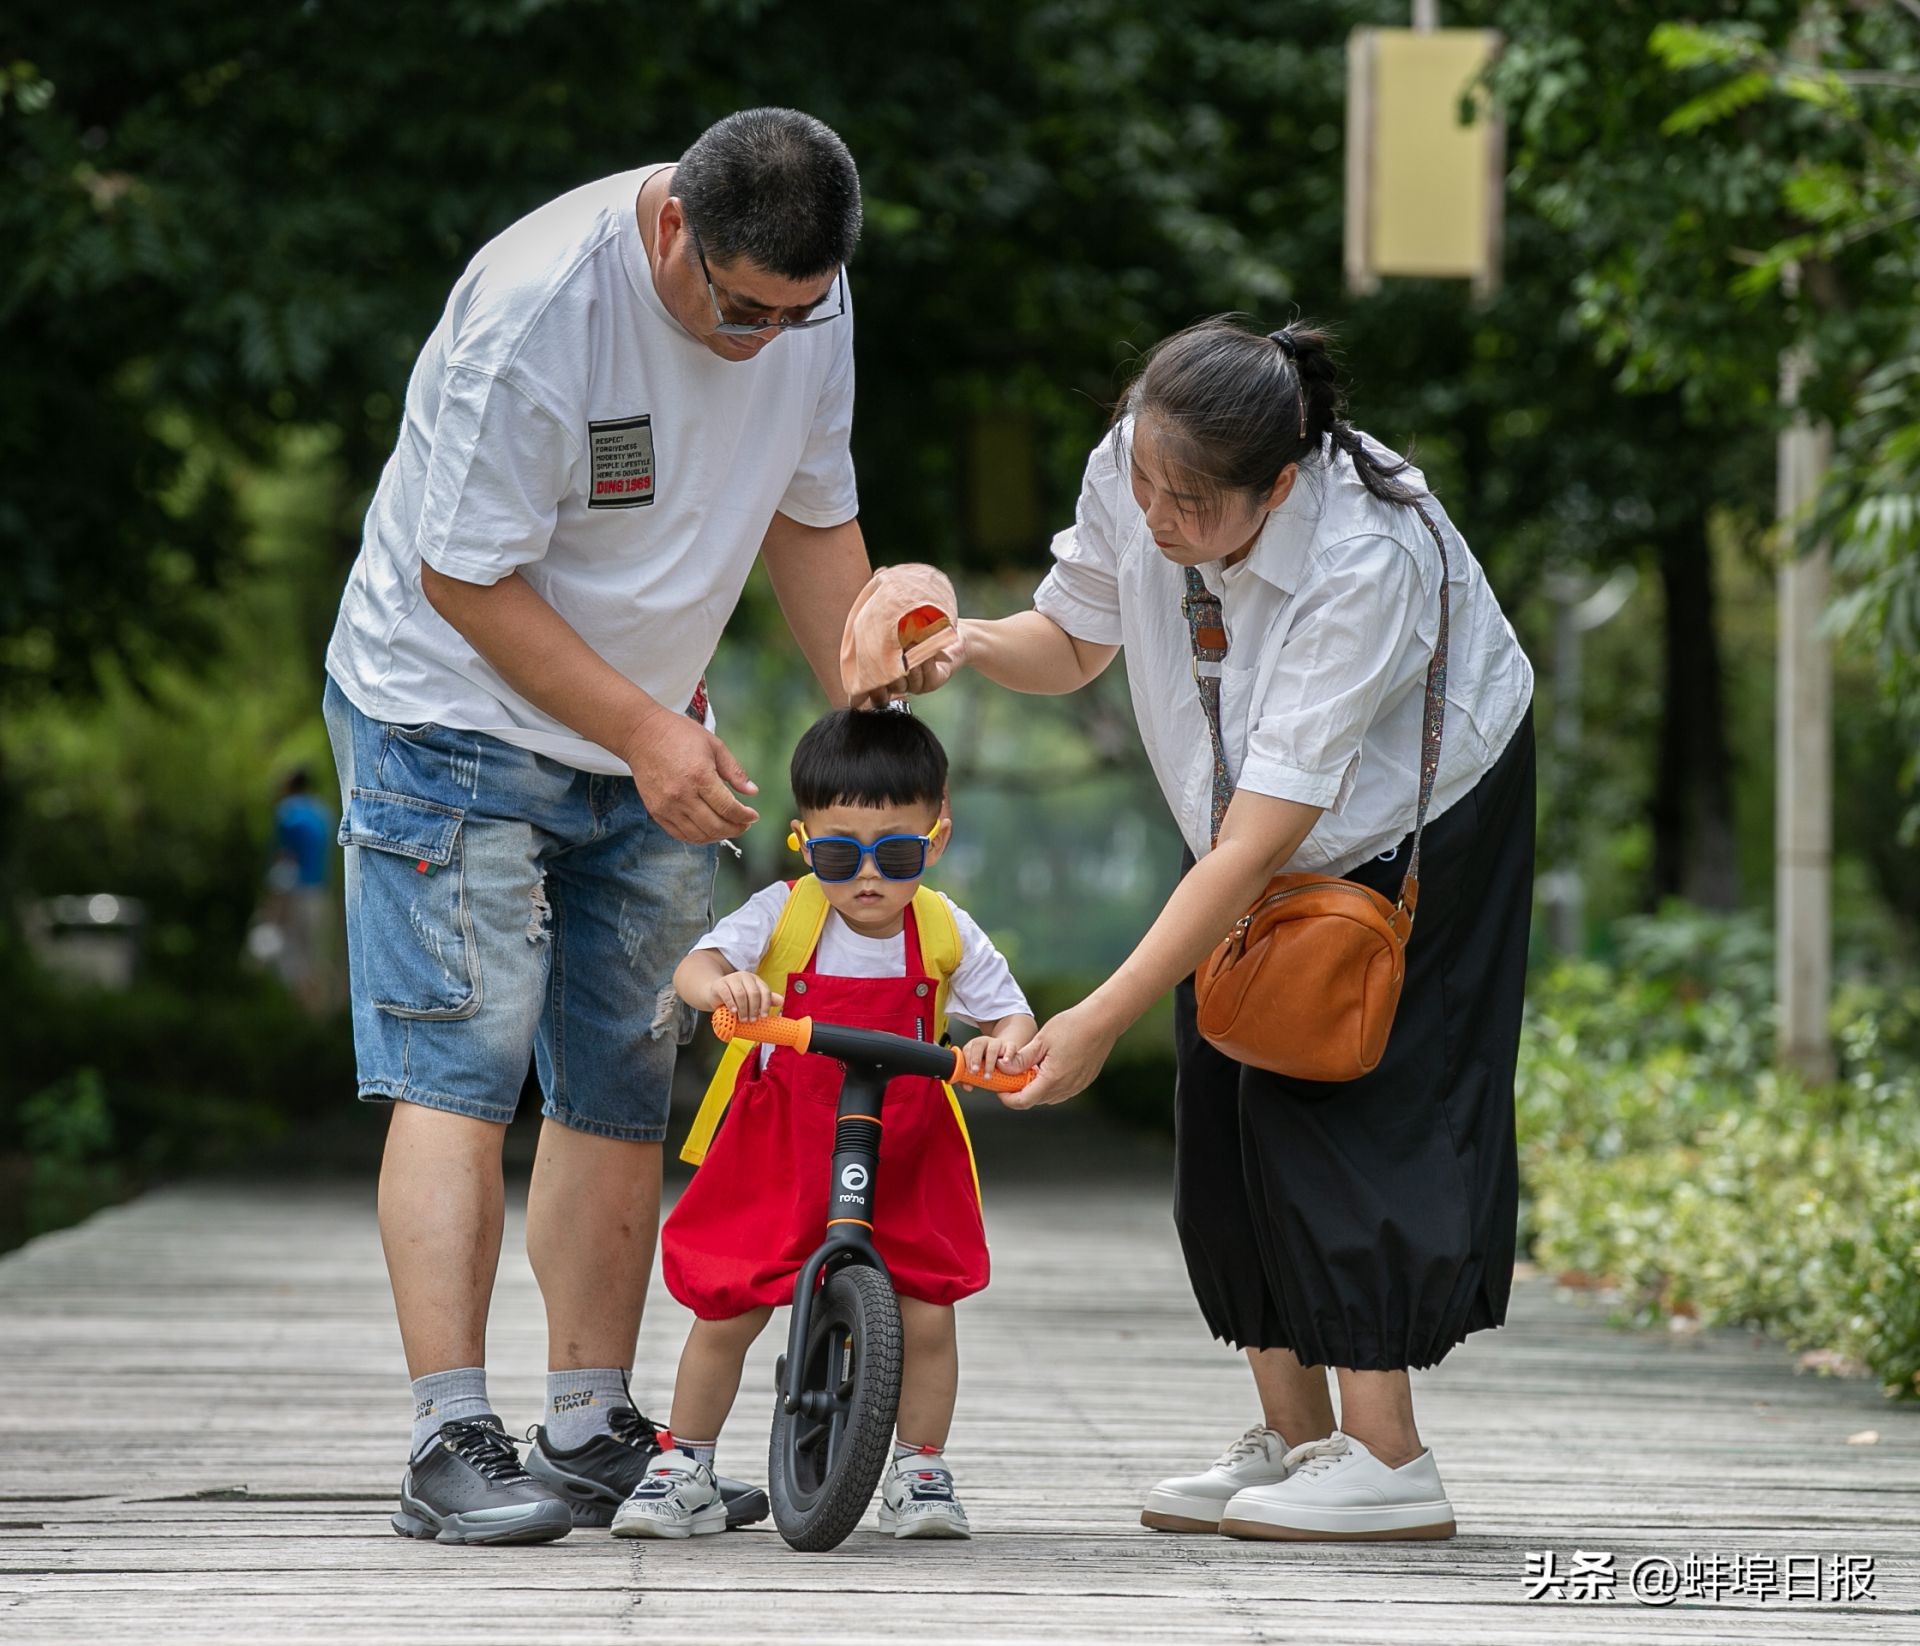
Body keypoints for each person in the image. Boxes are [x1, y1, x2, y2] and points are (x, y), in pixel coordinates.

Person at [322, 108, 896, 1546]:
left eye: (795, 312)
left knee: (625, 1074)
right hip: (448, 713)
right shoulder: (540, 314)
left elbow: (813, 524)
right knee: (458, 1066)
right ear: (671, 231)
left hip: (649, 725)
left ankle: (587, 1426)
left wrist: (877, 748)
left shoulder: (809, 301)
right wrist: (645, 732)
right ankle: (447, 1438)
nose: (764, 338)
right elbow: (465, 578)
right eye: (739, 308)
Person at [957, 317, 1536, 1542]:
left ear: (1279, 485)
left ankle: (1388, 1456)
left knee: (1340, 1090)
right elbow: (1068, 642)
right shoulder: (1142, 458)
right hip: (1243, 816)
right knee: (1223, 1092)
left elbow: (1263, 841)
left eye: (1191, 502)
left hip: (1409, 819)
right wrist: (956, 643)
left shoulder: (1364, 557)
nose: (1157, 515)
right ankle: (1296, 1435)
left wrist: (1098, 1015)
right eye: (1146, 482)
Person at [605, 708, 1034, 1541]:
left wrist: (995, 1050)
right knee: (728, 1306)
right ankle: (684, 1461)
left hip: (906, 1138)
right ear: (805, 842)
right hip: (783, 1140)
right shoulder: (787, 913)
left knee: (926, 1309)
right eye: (840, 853)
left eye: (897, 854)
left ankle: (919, 1466)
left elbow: (1012, 1020)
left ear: (934, 841)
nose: (867, 877)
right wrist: (728, 989)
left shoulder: (944, 929)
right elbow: (696, 966)